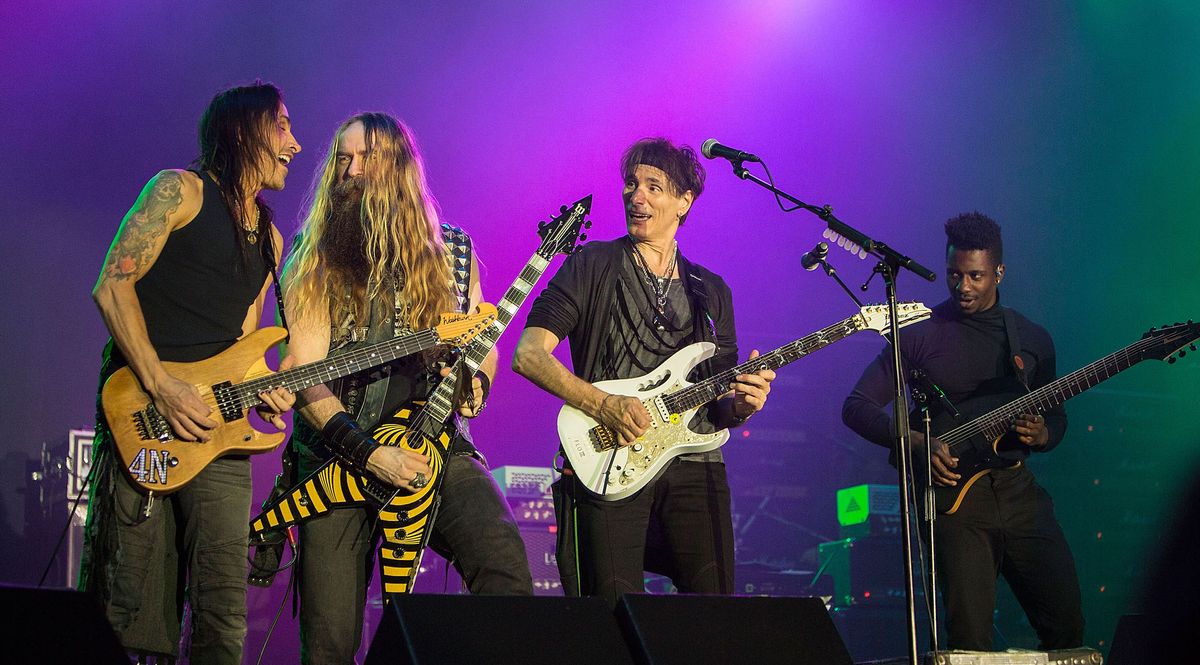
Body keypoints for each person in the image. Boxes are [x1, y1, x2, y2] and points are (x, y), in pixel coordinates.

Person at [281, 112, 532, 663]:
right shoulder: (315, 254)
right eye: (341, 159)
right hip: (336, 456)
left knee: (506, 570)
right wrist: (369, 455)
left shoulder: (453, 252)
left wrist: (477, 384)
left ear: (396, 169)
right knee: (329, 642)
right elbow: (306, 377)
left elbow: (482, 343)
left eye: (362, 159)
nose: (347, 171)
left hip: (434, 445)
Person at [81, 82, 301, 664]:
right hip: (147, 415)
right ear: (244, 130)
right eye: (281, 126)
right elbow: (113, 284)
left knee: (223, 608)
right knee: (130, 604)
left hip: (219, 436)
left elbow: (245, 345)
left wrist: (267, 389)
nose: (295, 144)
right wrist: (160, 383)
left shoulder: (273, 241)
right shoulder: (177, 191)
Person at [512, 137, 776, 607]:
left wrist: (743, 403)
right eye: (631, 184)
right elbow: (528, 354)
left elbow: (721, 405)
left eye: (654, 186)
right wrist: (603, 404)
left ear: (684, 201)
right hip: (610, 456)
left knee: (715, 613)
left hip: (694, 464)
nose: (636, 196)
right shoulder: (591, 263)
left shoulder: (711, 291)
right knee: (612, 613)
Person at [841, 212, 1084, 651]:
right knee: (970, 641)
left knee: (1066, 627)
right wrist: (917, 442)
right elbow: (856, 406)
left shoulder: (1031, 337)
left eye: (976, 276)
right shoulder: (919, 334)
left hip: (1018, 491)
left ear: (999, 273)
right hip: (956, 502)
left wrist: (1042, 435)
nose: (963, 286)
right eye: (955, 274)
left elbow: (1058, 419)